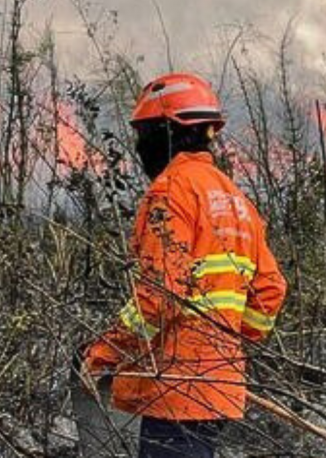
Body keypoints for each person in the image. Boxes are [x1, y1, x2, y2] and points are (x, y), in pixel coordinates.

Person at [82, 72, 288, 458]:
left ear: (167, 132)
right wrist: (223, 344)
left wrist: (104, 351)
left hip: (176, 386)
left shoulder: (171, 191)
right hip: (217, 388)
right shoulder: (236, 200)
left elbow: (161, 295)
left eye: (145, 134)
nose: (141, 146)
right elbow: (270, 292)